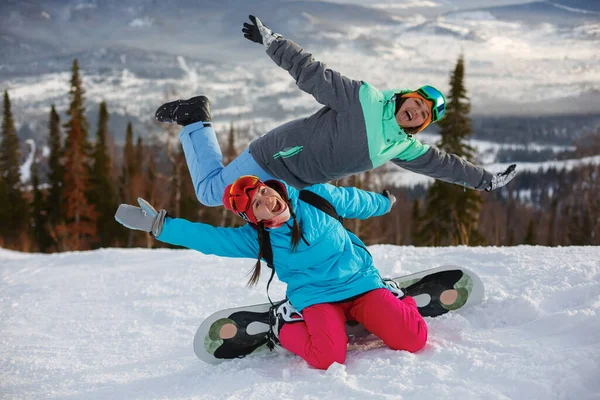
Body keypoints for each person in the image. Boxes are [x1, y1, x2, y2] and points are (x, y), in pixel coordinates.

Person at [154, 15, 517, 208]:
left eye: (423, 115)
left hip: (296, 181)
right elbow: (314, 74)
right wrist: (273, 42)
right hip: (275, 157)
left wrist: (484, 179)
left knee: (287, 230)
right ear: (405, 98)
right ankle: (194, 117)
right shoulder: (366, 100)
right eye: (416, 103)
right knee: (210, 193)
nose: (416, 111)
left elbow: (444, 164)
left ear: (421, 125)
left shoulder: (402, 146)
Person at [114, 175, 428, 370]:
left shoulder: (315, 197)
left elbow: (355, 200)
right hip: (316, 298)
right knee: (328, 359)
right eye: (257, 205)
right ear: (255, 219)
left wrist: (383, 203)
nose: (267, 201)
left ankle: (394, 296)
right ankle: (282, 324)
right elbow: (210, 239)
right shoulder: (258, 240)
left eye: (263, 192)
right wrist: (161, 226)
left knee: (414, 339)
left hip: (362, 283)